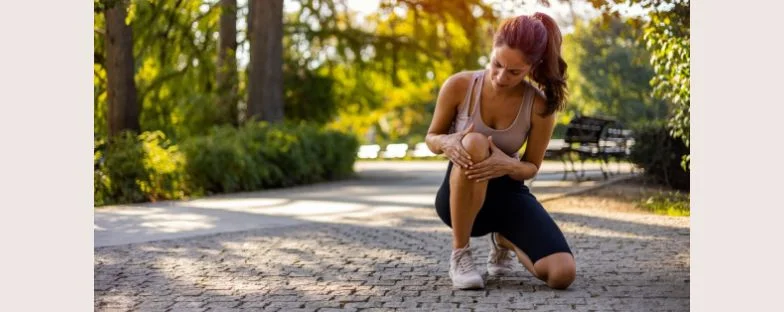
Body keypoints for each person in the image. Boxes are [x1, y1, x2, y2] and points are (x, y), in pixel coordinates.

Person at [425, 12, 575, 290]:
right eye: (497, 64)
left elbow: (531, 168)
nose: (501, 76)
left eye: (514, 72)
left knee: (561, 274)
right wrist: (447, 142)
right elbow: (431, 137)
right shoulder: (459, 85)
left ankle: (505, 238)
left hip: (508, 197)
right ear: (492, 49)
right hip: (458, 200)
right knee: (474, 142)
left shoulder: (539, 107)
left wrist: (506, 165)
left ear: (532, 67)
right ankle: (460, 255)